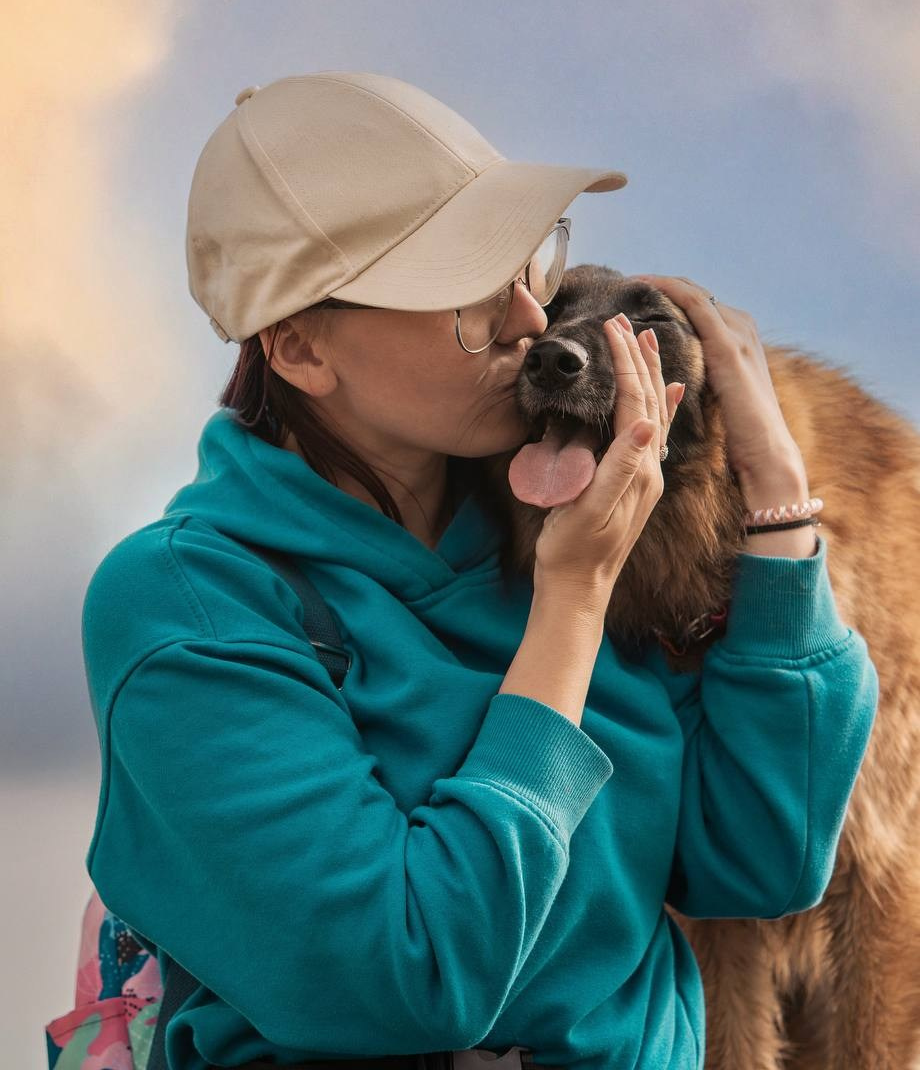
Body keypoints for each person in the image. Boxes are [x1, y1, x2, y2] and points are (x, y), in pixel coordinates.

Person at [81, 71, 879, 1070]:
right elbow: (412, 978)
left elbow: (764, 861)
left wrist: (775, 492)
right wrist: (570, 605)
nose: (527, 321)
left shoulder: (550, 509)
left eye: (527, 265)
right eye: (464, 295)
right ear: (299, 349)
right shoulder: (191, 604)